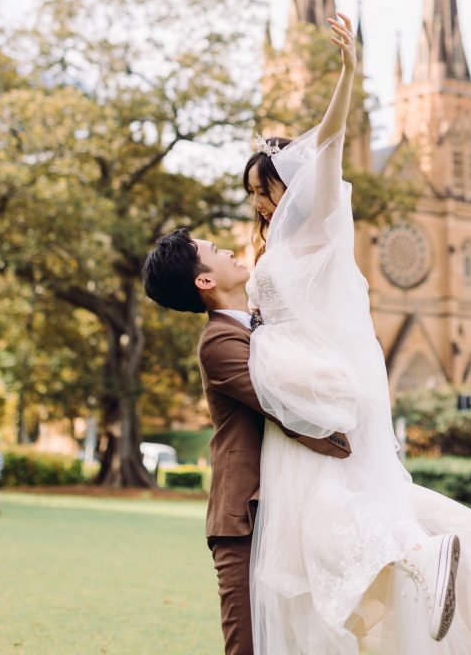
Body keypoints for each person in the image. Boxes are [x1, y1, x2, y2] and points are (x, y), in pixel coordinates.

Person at [242, 12, 471, 654]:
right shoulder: (267, 249)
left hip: (323, 393)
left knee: (330, 533)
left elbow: (329, 141)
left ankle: (424, 557)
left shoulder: (321, 222)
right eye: (253, 196)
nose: (259, 206)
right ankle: (417, 565)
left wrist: (349, 74)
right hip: (298, 398)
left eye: (265, 191)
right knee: (313, 560)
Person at [142, 228, 353, 655]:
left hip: (289, 506)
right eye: (214, 251)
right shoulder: (218, 342)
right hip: (244, 517)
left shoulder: (266, 319)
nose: (228, 251)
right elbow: (281, 406)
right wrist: (344, 441)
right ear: (205, 281)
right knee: (248, 645)